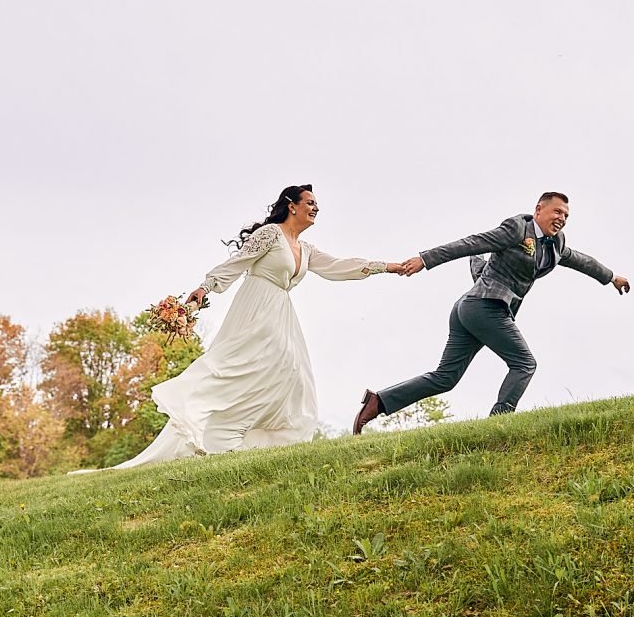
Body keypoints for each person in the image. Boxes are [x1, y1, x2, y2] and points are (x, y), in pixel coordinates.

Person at [98, 185, 405, 469]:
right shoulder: (271, 235)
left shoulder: (306, 249)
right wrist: (205, 288)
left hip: (281, 312)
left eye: (317, 205)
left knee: (293, 373)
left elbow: (341, 266)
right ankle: (217, 432)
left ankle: (244, 439)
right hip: (256, 307)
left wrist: (387, 267)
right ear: (292, 206)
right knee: (242, 368)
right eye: (310, 203)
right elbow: (238, 263)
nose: (316, 208)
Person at [352, 191, 630, 432]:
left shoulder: (555, 245)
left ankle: (379, 401)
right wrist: (425, 259)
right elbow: (472, 243)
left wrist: (611, 277)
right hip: (484, 307)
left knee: (445, 378)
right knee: (524, 364)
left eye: (566, 215)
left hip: (472, 308)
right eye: (557, 211)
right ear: (538, 210)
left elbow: (582, 260)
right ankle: (498, 423)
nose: (562, 218)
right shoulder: (517, 229)